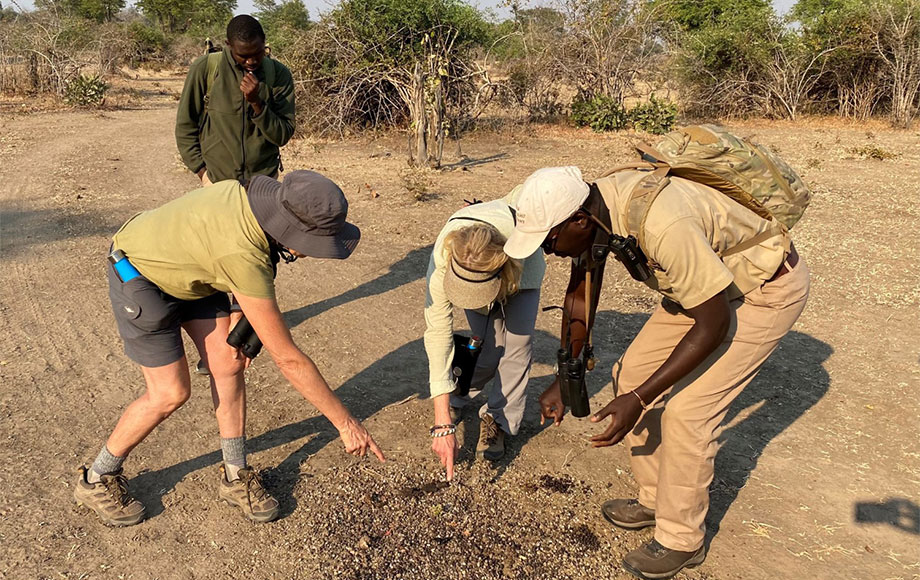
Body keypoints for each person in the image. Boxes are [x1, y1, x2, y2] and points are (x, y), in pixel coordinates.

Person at [503, 166, 810, 579]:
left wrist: (641, 399)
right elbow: (582, 290)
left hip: (762, 290)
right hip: (701, 291)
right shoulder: (595, 210)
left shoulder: (665, 224)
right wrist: (565, 378)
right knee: (629, 375)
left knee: (690, 412)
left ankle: (682, 539)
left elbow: (713, 322)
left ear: (578, 219)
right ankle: (654, 499)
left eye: (549, 240)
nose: (548, 252)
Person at [74, 171, 385, 526]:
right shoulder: (242, 255)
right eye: (317, 242)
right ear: (292, 232)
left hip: (192, 271)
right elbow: (288, 359)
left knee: (229, 361)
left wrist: (238, 305)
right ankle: (96, 478)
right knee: (170, 393)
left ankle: (236, 474)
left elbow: (224, 252)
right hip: (138, 272)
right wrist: (346, 424)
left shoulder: (249, 201)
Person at [424, 190, 546, 479]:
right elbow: (438, 333)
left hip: (521, 267)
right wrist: (442, 421)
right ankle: (456, 395)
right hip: (477, 269)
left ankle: (498, 420)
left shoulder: (522, 243)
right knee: (484, 347)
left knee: (517, 346)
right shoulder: (444, 258)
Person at [176, 15, 294, 186]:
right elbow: (185, 126)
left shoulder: (278, 74)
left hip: (263, 183)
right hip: (217, 181)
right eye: (243, 55)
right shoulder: (206, 69)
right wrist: (202, 172)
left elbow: (282, 135)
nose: (251, 61)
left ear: (264, 42)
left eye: (257, 53)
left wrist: (257, 104)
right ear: (228, 45)